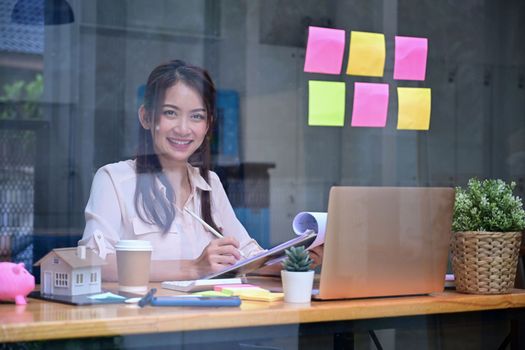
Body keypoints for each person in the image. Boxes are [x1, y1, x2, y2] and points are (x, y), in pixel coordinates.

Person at [79, 59, 322, 281]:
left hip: (208, 321)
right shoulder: (113, 179)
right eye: (170, 113)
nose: (184, 129)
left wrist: (295, 261)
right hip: (146, 321)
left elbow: (247, 256)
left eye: (196, 116)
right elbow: (93, 264)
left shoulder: (211, 184)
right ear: (146, 117)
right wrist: (194, 268)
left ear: (208, 125)